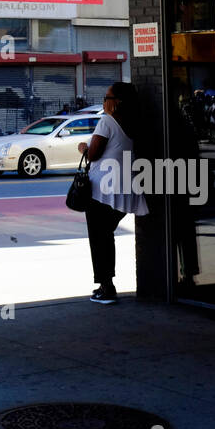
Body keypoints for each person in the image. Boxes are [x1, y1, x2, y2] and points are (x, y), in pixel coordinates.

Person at [78, 81, 148, 305]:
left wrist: (83, 148)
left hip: (102, 190)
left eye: (107, 97)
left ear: (116, 102)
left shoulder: (107, 121)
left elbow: (93, 155)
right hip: (125, 188)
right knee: (105, 235)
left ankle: (106, 287)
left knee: (99, 238)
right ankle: (106, 284)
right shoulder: (136, 122)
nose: (104, 101)